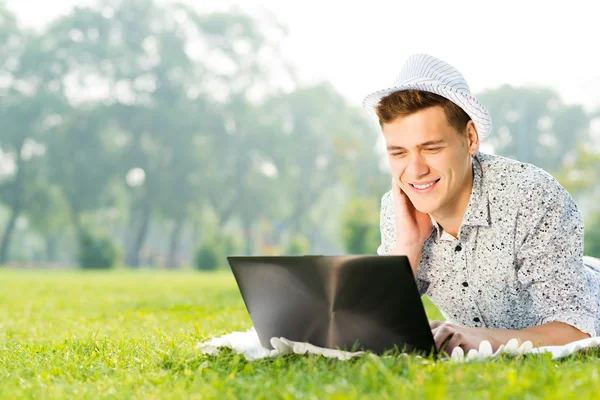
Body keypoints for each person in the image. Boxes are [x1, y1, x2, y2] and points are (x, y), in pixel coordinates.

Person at [362, 53, 600, 355]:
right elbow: (371, 332)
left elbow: (576, 332)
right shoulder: (399, 207)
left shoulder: (530, 195)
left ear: (471, 138)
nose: (415, 169)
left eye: (431, 148)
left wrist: (481, 339)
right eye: (398, 153)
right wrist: (408, 245)